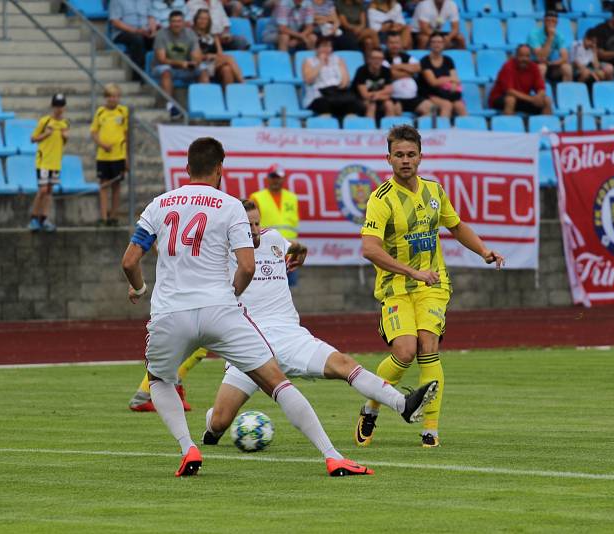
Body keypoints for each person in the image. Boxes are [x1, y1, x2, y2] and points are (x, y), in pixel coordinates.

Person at [121, 136, 372, 477]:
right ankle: (332, 456)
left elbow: (130, 260)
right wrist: (232, 295)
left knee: (159, 381)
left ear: (187, 168)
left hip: (170, 313)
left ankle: (188, 448)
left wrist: (139, 287)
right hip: (220, 310)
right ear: (220, 169)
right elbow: (248, 266)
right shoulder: (230, 206)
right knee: (277, 382)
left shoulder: (159, 205)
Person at [202, 199, 439, 444]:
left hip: (290, 336)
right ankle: (211, 425)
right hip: (247, 341)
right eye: (247, 225)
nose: (253, 230)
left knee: (343, 364)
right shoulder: (221, 252)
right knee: (220, 421)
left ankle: (403, 404)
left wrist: (300, 251)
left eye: (257, 223)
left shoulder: (272, 239)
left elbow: (292, 246)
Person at [355, 125, 505, 448]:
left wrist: (483, 250)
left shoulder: (435, 192)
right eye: (399, 155)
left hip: (434, 285)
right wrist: (412, 271)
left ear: (421, 157)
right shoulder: (381, 200)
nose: (405, 161)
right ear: (388, 159)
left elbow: (457, 226)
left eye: (411, 155)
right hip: (396, 287)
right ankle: (371, 407)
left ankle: (431, 429)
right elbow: (370, 249)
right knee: (404, 351)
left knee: (428, 345)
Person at [250, 164, 301, 286]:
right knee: (268, 284)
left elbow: (294, 224)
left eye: (278, 177)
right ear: (267, 178)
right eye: (273, 176)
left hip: (289, 249)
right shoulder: (256, 197)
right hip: (267, 249)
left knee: (289, 285)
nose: (275, 180)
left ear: (283, 179)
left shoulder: (292, 198)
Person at [152, 10, 208, 119]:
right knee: (165, 70)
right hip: (164, 67)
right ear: (169, 23)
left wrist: (195, 61)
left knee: (203, 70)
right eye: (174, 21)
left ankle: (202, 105)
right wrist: (180, 63)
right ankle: (170, 105)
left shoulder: (190, 33)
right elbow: (161, 59)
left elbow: (196, 55)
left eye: (179, 21)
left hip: (185, 68)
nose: (176, 24)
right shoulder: (161, 34)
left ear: (183, 22)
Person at [28, 93, 69, 233]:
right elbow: (33, 138)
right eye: (57, 105)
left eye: (61, 106)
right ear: (53, 106)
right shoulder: (45, 121)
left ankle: (43, 218)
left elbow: (64, 141)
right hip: (43, 161)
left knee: (50, 190)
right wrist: (46, 134)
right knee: (43, 190)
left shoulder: (64, 124)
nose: (59, 109)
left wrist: (65, 136)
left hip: (55, 162)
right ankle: (34, 217)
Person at [90, 84, 129, 227]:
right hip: (103, 156)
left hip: (118, 155)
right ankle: (104, 216)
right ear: (106, 97)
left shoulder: (123, 112)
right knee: (103, 185)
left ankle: (114, 216)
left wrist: (126, 158)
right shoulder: (100, 112)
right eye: (111, 96)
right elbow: (93, 132)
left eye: (117, 96)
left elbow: (126, 135)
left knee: (116, 186)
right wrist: (102, 144)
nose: (114, 99)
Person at [301, 35, 366, 119]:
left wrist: (340, 85)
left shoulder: (338, 60)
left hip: (336, 95)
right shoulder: (308, 61)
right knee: (324, 106)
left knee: (352, 106)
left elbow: (345, 82)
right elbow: (308, 80)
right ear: (317, 49)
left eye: (329, 46)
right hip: (318, 96)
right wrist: (320, 63)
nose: (327, 49)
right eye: (324, 46)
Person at [488, 44, 552, 116]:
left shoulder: (534, 67)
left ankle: (545, 127)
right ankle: (508, 126)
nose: (524, 59)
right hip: (500, 98)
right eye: (521, 56)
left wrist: (539, 96)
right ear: (516, 56)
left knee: (547, 100)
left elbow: (541, 88)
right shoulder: (508, 66)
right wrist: (532, 99)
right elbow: (509, 91)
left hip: (522, 98)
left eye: (527, 56)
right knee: (511, 100)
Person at [384, 32, 434, 117]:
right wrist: (410, 73)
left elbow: (418, 68)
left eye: (397, 43)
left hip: (413, 98)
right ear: (387, 44)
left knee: (431, 108)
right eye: (392, 43)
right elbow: (390, 74)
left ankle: (417, 129)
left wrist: (397, 66)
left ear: (400, 44)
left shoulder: (407, 57)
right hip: (395, 98)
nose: (395, 45)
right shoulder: (383, 58)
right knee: (394, 113)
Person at [192, 8, 244, 87]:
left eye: (206, 19)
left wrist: (213, 56)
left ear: (209, 21)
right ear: (196, 19)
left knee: (227, 69)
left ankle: (227, 95)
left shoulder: (213, 35)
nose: (203, 21)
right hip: (201, 64)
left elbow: (220, 53)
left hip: (214, 62)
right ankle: (243, 84)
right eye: (201, 18)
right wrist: (208, 56)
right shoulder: (191, 35)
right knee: (229, 58)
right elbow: (196, 56)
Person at [419, 32, 467, 118]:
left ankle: (468, 130)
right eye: (434, 42)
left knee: (460, 106)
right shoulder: (425, 61)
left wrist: (453, 84)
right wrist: (449, 79)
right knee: (446, 105)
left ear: (444, 44)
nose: (437, 44)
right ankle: (442, 130)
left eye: (439, 42)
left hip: (447, 93)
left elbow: (455, 79)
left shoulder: (448, 60)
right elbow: (433, 82)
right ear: (430, 44)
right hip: (430, 93)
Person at [109, 0, 155, 78]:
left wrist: (153, 31)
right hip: (123, 33)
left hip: (144, 31)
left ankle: (156, 74)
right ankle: (138, 77)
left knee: (158, 39)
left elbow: (151, 17)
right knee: (137, 40)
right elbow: (115, 21)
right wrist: (136, 31)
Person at [527, 11, 573, 82]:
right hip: (533, 64)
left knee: (567, 68)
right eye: (548, 20)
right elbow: (541, 57)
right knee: (542, 67)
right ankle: (541, 91)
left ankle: (566, 92)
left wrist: (551, 63)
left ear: (557, 23)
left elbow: (564, 57)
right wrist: (550, 37)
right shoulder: (533, 35)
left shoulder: (559, 36)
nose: (551, 23)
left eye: (554, 21)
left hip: (550, 64)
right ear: (544, 21)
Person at [186, 0, 250, 51]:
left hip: (221, 38)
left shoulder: (217, 2)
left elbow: (226, 23)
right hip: (204, 39)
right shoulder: (192, 3)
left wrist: (225, 34)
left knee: (241, 41)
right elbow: (190, 25)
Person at [353, 47, 396, 120]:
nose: (377, 61)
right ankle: (369, 130)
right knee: (372, 105)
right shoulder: (361, 71)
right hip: (361, 100)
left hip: (378, 98)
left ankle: (391, 130)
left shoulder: (386, 71)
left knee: (389, 104)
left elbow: (389, 91)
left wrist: (376, 95)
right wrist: (381, 94)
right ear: (369, 59)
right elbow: (364, 95)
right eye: (374, 58)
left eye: (380, 58)